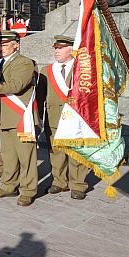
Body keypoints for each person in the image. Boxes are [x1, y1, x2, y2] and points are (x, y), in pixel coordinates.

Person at [0, 31, 38, 207]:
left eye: (4, 44)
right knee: (8, 155)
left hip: (21, 117)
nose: (0, 48)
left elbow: (15, 86)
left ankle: (28, 190)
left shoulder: (24, 63)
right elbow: (0, 94)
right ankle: (8, 185)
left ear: (16, 45)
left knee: (26, 156)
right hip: (4, 116)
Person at [37, 35, 89, 200]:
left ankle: (78, 185)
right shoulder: (47, 70)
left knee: (76, 153)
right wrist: (37, 117)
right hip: (53, 118)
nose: (56, 51)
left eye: (60, 47)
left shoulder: (82, 69)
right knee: (56, 153)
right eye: (55, 47)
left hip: (75, 118)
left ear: (71, 50)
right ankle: (59, 181)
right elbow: (40, 96)